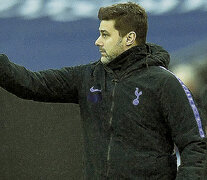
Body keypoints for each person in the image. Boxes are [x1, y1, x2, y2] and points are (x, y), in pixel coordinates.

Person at [0, 2, 206, 179]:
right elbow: (31, 83)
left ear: (129, 38)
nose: (97, 41)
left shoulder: (164, 83)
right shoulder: (88, 76)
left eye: (105, 35)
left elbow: (196, 145)